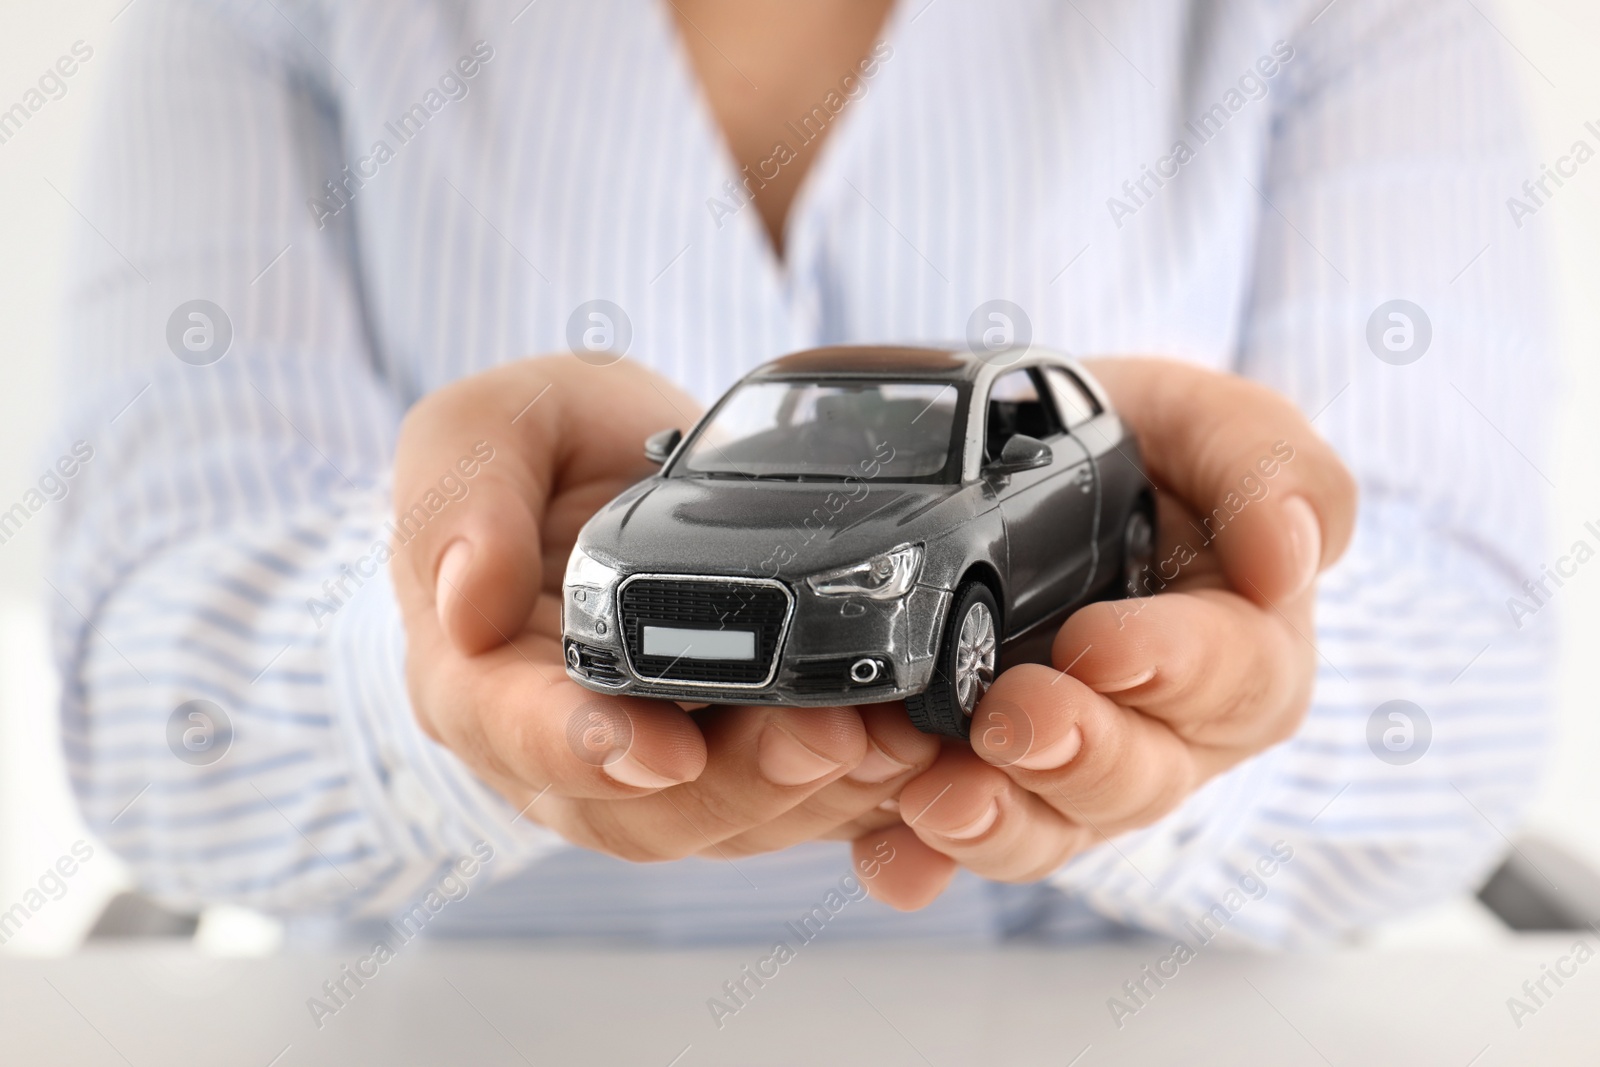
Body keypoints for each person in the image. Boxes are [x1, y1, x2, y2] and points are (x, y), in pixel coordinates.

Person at [51, 0, 1551, 944]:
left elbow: (1469, 697)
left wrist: (1194, 726)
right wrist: (421, 663)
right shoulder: (260, 17)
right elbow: (139, 705)